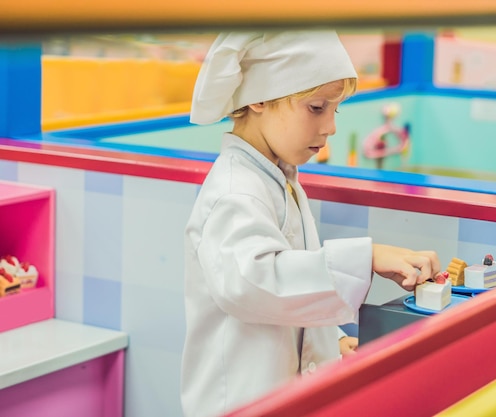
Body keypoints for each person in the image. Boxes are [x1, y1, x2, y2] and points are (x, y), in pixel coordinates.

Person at [180, 30, 442, 417]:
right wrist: (366, 257)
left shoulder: (278, 179)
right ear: (259, 99)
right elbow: (254, 284)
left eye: (335, 110)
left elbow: (293, 285)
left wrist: (329, 341)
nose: (330, 127)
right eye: (317, 107)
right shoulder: (235, 192)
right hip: (236, 402)